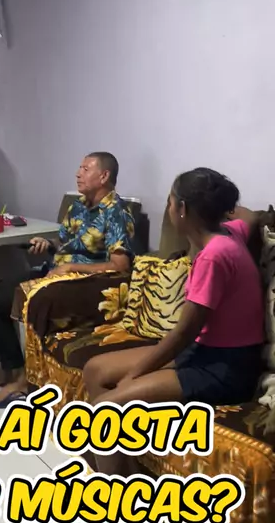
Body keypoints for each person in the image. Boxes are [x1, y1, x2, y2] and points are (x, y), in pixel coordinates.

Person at [83, 167, 264, 476]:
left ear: (182, 209)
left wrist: (134, 376)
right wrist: (218, 205)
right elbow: (251, 216)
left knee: (105, 409)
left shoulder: (213, 257)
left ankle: (116, 486)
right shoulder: (231, 232)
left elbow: (183, 334)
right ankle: (119, 466)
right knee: (94, 369)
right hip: (203, 351)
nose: (167, 209)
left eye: (169, 202)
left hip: (224, 368)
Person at [0, 152, 135, 406]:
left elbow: (121, 266)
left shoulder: (116, 212)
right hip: (55, 271)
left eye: (86, 169)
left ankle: (25, 380)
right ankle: (8, 369)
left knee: (5, 303)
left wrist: (72, 266)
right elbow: (64, 244)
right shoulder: (78, 206)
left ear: (104, 176)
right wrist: (47, 244)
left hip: (83, 284)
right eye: (79, 168)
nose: (78, 173)